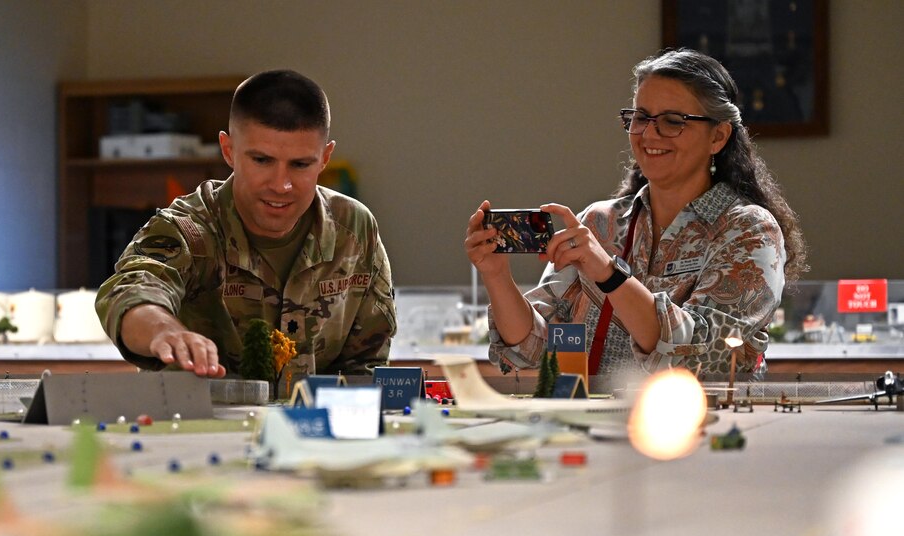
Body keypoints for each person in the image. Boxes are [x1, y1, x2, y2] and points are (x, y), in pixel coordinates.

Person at [465, 48, 806, 380]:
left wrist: (609, 274)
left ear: (718, 136)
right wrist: (496, 276)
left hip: (699, 417)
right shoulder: (598, 223)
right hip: (593, 418)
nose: (649, 134)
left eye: (673, 121)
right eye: (641, 118)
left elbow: (708, 355)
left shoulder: (748, 229)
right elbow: (534, 350)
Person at [96, 70, 396, 380]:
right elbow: (132, 290)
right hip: (203, 412)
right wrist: (165, 331)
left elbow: (367, 367)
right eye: (262, 161)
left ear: (325, 158)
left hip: (318, 413)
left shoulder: (353, 229)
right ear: (228, 150)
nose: (281, 185)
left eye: (300, 164)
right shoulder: (189, 229)